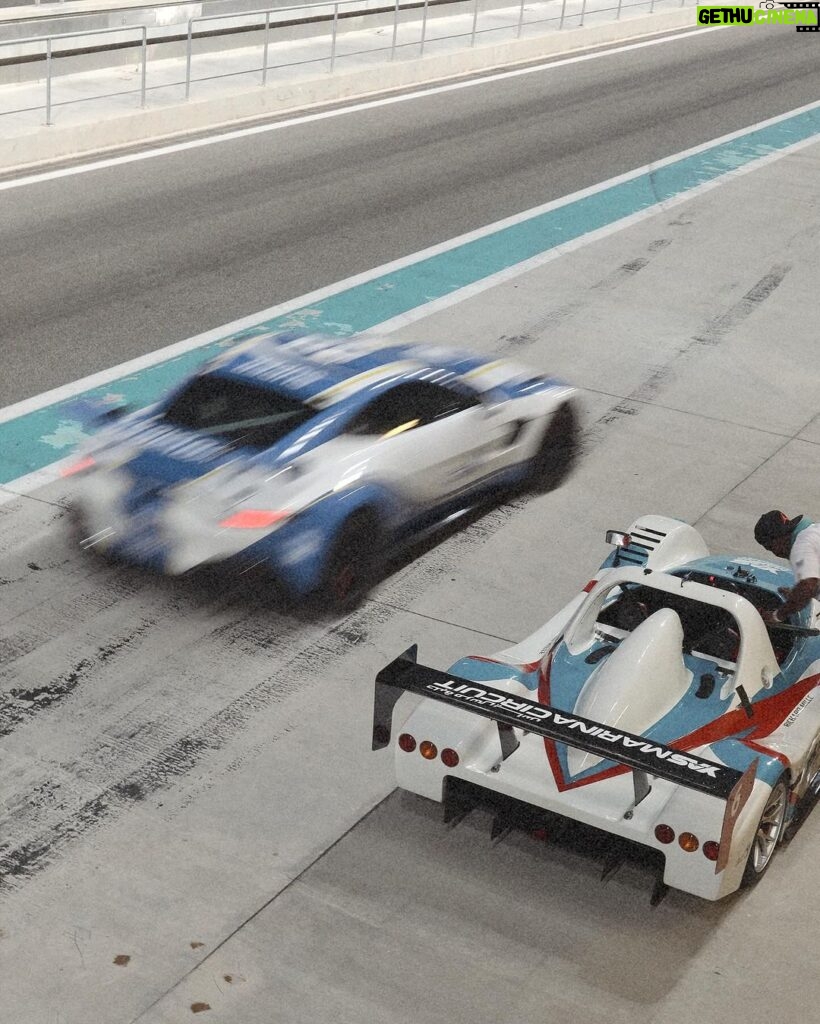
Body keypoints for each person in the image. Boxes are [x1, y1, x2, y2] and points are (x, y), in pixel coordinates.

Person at [754, 510, 820, 624]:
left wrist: (778, 615)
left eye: (770, 547)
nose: (775, 553)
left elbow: (808, 587)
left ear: (777, 539)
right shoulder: (814, 531)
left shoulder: (801, 546)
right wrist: (796, 595)